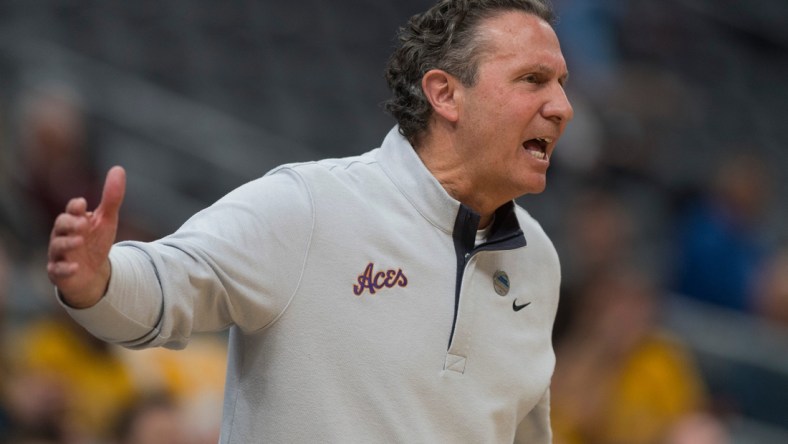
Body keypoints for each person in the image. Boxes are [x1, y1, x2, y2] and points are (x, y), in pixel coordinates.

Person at [46, 0, 573, 442]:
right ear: (446, 94)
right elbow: (172, 283)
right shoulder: (309, 206)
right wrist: (101, 281)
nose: (562, 107)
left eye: (562, 83)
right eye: (533, 79)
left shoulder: (538, 258)